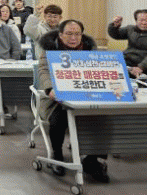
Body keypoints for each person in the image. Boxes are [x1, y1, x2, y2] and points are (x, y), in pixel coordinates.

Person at [37, 20, 109, 182]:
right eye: (69, 34)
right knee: (58, 119)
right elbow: (43, 71)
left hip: (87, 96)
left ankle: (92, 159)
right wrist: (50, 88)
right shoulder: (50, 51)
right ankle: (57, 155)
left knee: (102, 118)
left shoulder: (90, 50)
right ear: (60, 35)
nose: (73, 38)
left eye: (77, 34)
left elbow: (101, 70)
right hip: (57, 99)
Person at [108, 10, 147, 78]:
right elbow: (116, 35)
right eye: (141, 20)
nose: (144, 23)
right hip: (127, 61)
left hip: (144, 65)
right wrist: (114, 26)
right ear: (136, 21)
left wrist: (141, 67)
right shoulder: (130, 29)